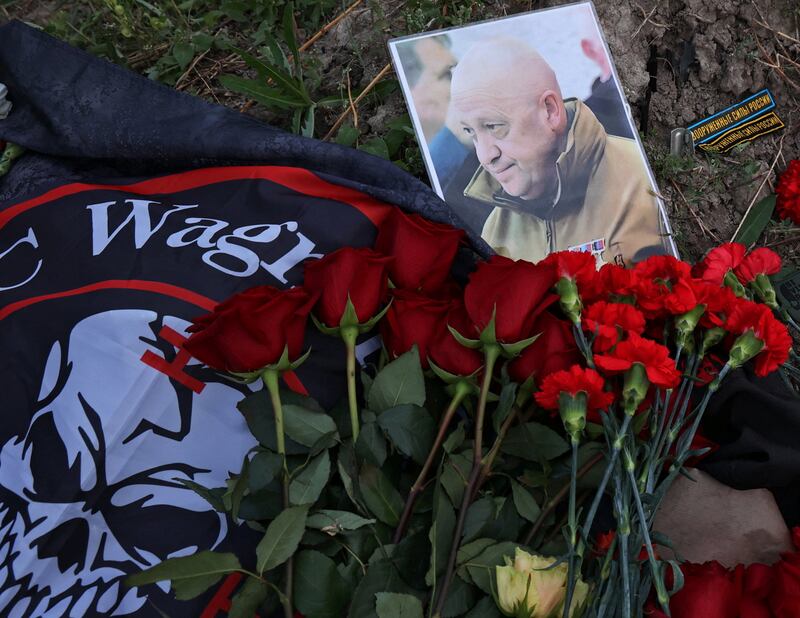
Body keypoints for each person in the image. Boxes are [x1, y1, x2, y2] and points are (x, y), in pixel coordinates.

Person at [449, 38, 670, 265]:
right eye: (471, 133)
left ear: (550, 110)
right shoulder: (494, 231)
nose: (485, 156)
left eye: (494, 126)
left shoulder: (644, 180)